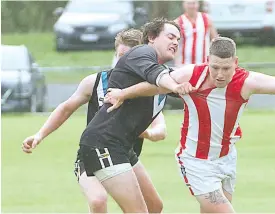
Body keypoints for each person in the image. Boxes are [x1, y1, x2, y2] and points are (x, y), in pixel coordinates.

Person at [104, 36, 275, 213]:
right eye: (215, 67)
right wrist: (123, 93)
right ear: (208, 62)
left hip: (227, 160)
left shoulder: (246, 82)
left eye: (226, 68)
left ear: (235, 64)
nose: (220, 74)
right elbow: (154, 85)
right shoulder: (189, 75)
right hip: (195, 161)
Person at [21, 28, 166, 213]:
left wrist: (148, 133)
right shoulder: (96, 82)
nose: (124, 62)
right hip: (92, 153)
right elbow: (66, 108)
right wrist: (39, 135)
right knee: (98, 200)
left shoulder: (150, 90)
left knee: (155, 206)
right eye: (120, 56)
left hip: (124, 153)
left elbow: (160, 129)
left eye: (129, 58)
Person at [77, 17, 195, 213]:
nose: (175, 42)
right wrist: (175, 86)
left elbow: (159, 82)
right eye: (170, 36)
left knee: (154, 206)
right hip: (104, 143)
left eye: (178, 40)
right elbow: (158, 77)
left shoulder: (158, 70)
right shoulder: (142, 52)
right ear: (151, 37)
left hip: (122, 147)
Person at [174, 0, 218, 67]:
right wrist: (177, 63)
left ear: (198, 4)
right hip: (184, 64)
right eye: (189, 3)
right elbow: (175, 44)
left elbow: (215, 40)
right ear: (184, 5)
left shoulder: (206, 18)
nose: (191, 6)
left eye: (194, 3)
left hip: (204, 63)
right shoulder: (178, 21)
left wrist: (215, 59)